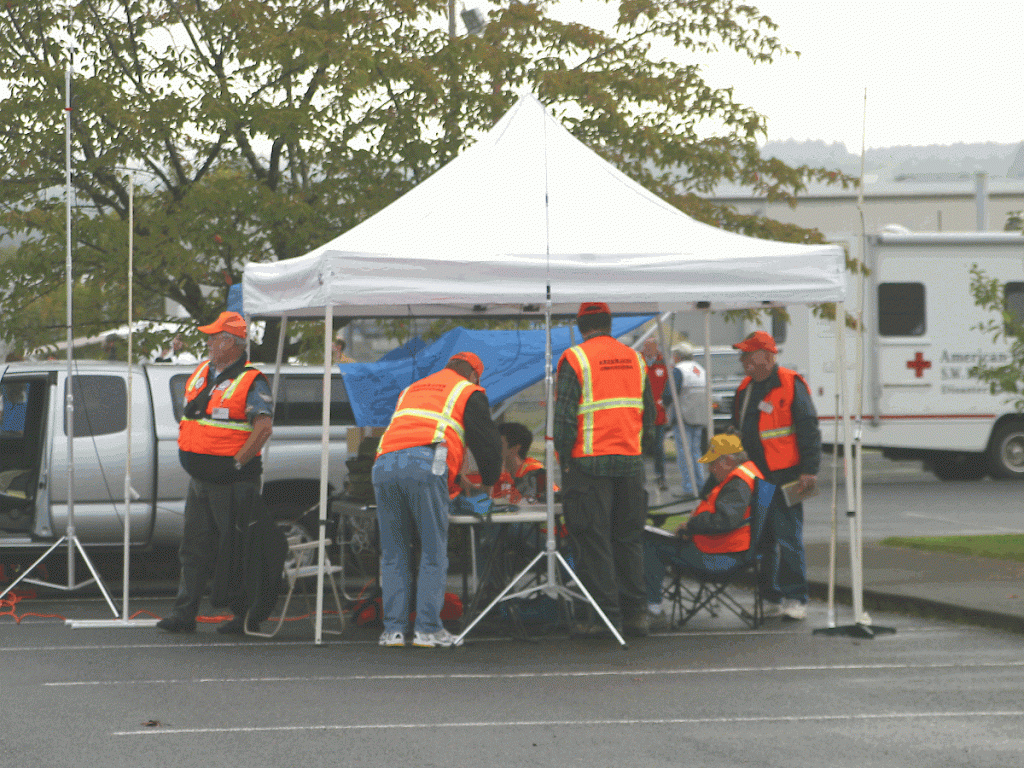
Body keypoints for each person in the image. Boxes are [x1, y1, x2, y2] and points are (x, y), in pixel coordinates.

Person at [372, 351, 502, 648]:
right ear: (474, 375)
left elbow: (414, 432)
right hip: (425, 463)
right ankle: (428, 629)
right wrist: (490, 480)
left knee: (394, 552)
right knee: (433, 550)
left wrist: (456, 478)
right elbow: (487, 441)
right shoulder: (467, 390)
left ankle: (392, 630)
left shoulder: (413, 389)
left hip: (384, 464)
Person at [157, 311, 275, 635]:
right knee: (193, 546)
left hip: (232, 482)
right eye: (209, 337)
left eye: (215, 337)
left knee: (235, 548)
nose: (209, 342)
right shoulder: (202, 373)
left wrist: (237, 463)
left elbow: (263, 428)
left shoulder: (251, 379)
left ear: (232, 343)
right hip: (201, 479)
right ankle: (184, 614)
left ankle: (244, 616)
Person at [554, 302, 656, 638]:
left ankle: (602, 617)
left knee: (592, 540)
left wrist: (564, 461)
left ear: (581, 325)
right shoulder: (635, 359)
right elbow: (650, 416)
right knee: (628, 540)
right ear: (609, 324)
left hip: (587, 464)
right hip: (629, 462)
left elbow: (565, 418)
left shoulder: (575, 358)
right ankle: (635, 614)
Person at [731, 330, 821, 620]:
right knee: (761, 540)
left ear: (767, 357)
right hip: (757, 478)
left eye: (748, 353)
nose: (743, 359)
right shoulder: (745, 388)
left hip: (788, 476)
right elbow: (739, 429)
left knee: (787, 538)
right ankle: (770, 597)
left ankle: (796, 598)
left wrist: (810, 470)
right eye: (743, 354)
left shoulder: (791, 384)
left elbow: (808, 428)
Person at [642, 433, 764, 628]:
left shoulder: (738, 484)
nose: (710, 469)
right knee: (656, 541)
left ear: (729, 460)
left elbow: (725, 520)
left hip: (720, 555)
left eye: (713, 464)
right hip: (732, 549)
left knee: (651, 544)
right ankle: (651, 603)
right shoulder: (748, 475)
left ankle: (653, 608)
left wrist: (692, 524)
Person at [664, 341, 709, 499]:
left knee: (684, 453)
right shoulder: (701, 370)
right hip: (700, 415)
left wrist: (665, 406)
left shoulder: (679, 370)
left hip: (683, 416)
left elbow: (669, 394)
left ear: (678, 356)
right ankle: (700, 484)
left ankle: (689, 487)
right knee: (696, 451)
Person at [641, 338, 670, 491]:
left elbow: (669, 386)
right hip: (642, 414)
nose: (648, 350)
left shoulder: (663, 364)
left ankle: (660, 476)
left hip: (659, 415)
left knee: (659, 448)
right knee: (641, 448)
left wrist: (665, 401)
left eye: (651, 347)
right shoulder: (638, 361)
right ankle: (641, 479)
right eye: (646, 347)